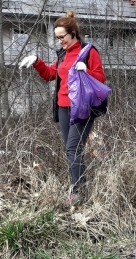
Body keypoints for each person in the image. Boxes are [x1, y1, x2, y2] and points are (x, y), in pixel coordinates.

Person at [18, 11, 106, 207]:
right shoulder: (63, 54)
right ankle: (79, 187)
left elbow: (100, 79)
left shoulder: (88, 51)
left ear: (73, 33)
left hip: (82, 108)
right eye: (57, 38)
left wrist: (87, 71)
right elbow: (51, 75)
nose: (59, 41)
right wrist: (37, 62)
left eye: (62, 37)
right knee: (71, 151)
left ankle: (79, 192)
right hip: (63, 108)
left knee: (73, 148)